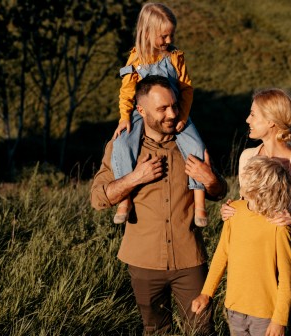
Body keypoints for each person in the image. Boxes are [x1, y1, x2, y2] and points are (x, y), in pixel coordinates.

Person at [91, 75, 227, 335]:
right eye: (162, 108)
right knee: (155, 330)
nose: (173, 113)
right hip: (143, 261)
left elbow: (219, 191)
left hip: (190, 260)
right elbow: (98, 198)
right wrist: (134, 178)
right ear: (141, 110)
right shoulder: (121, 147)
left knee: (202, 330)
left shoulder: (190, 143)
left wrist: (210, 180)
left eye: (174, 105)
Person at [220, 88, 291, 335]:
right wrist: (230, 209)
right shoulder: (246, 157)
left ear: (271, 122)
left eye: (253, 114)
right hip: (255, 277)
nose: (247, 120)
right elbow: (247, 202)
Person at [111, 2, 208, 227]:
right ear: (147, 33)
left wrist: (183, 115)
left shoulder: (176, 57)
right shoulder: (134, 60)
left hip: (175, 109)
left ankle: (200, 202)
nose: (168, 41)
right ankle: (124, 200)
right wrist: (124, 117)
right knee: (121, 144)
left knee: (196, 145)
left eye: (170, 35)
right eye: (163, 36)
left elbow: (186, 88)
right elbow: (126, 91)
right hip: (143, 113)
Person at [192, 156, 291, 336]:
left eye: (246, 177)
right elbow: (221, 255)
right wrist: (206, 293)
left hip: (265, 314)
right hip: (234, 308)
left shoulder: (279, 224)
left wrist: (280, 319)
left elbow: (287, 277)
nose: (241, 180)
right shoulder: (235, 211)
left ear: (258, 187)